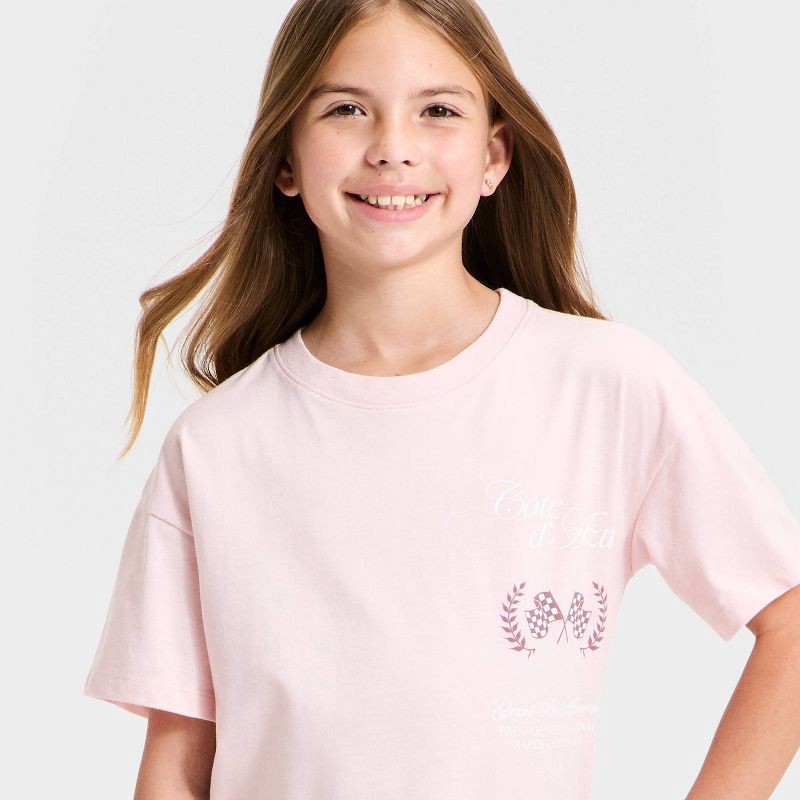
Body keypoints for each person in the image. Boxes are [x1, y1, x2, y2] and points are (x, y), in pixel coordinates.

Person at [83, 1, 800, 798]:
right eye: (347, 109)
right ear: (285, 158)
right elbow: (178, 762)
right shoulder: (216, 445)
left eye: (438, 111)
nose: (393, 147)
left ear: (494, 155)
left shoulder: (606, 388)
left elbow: (790, 624)